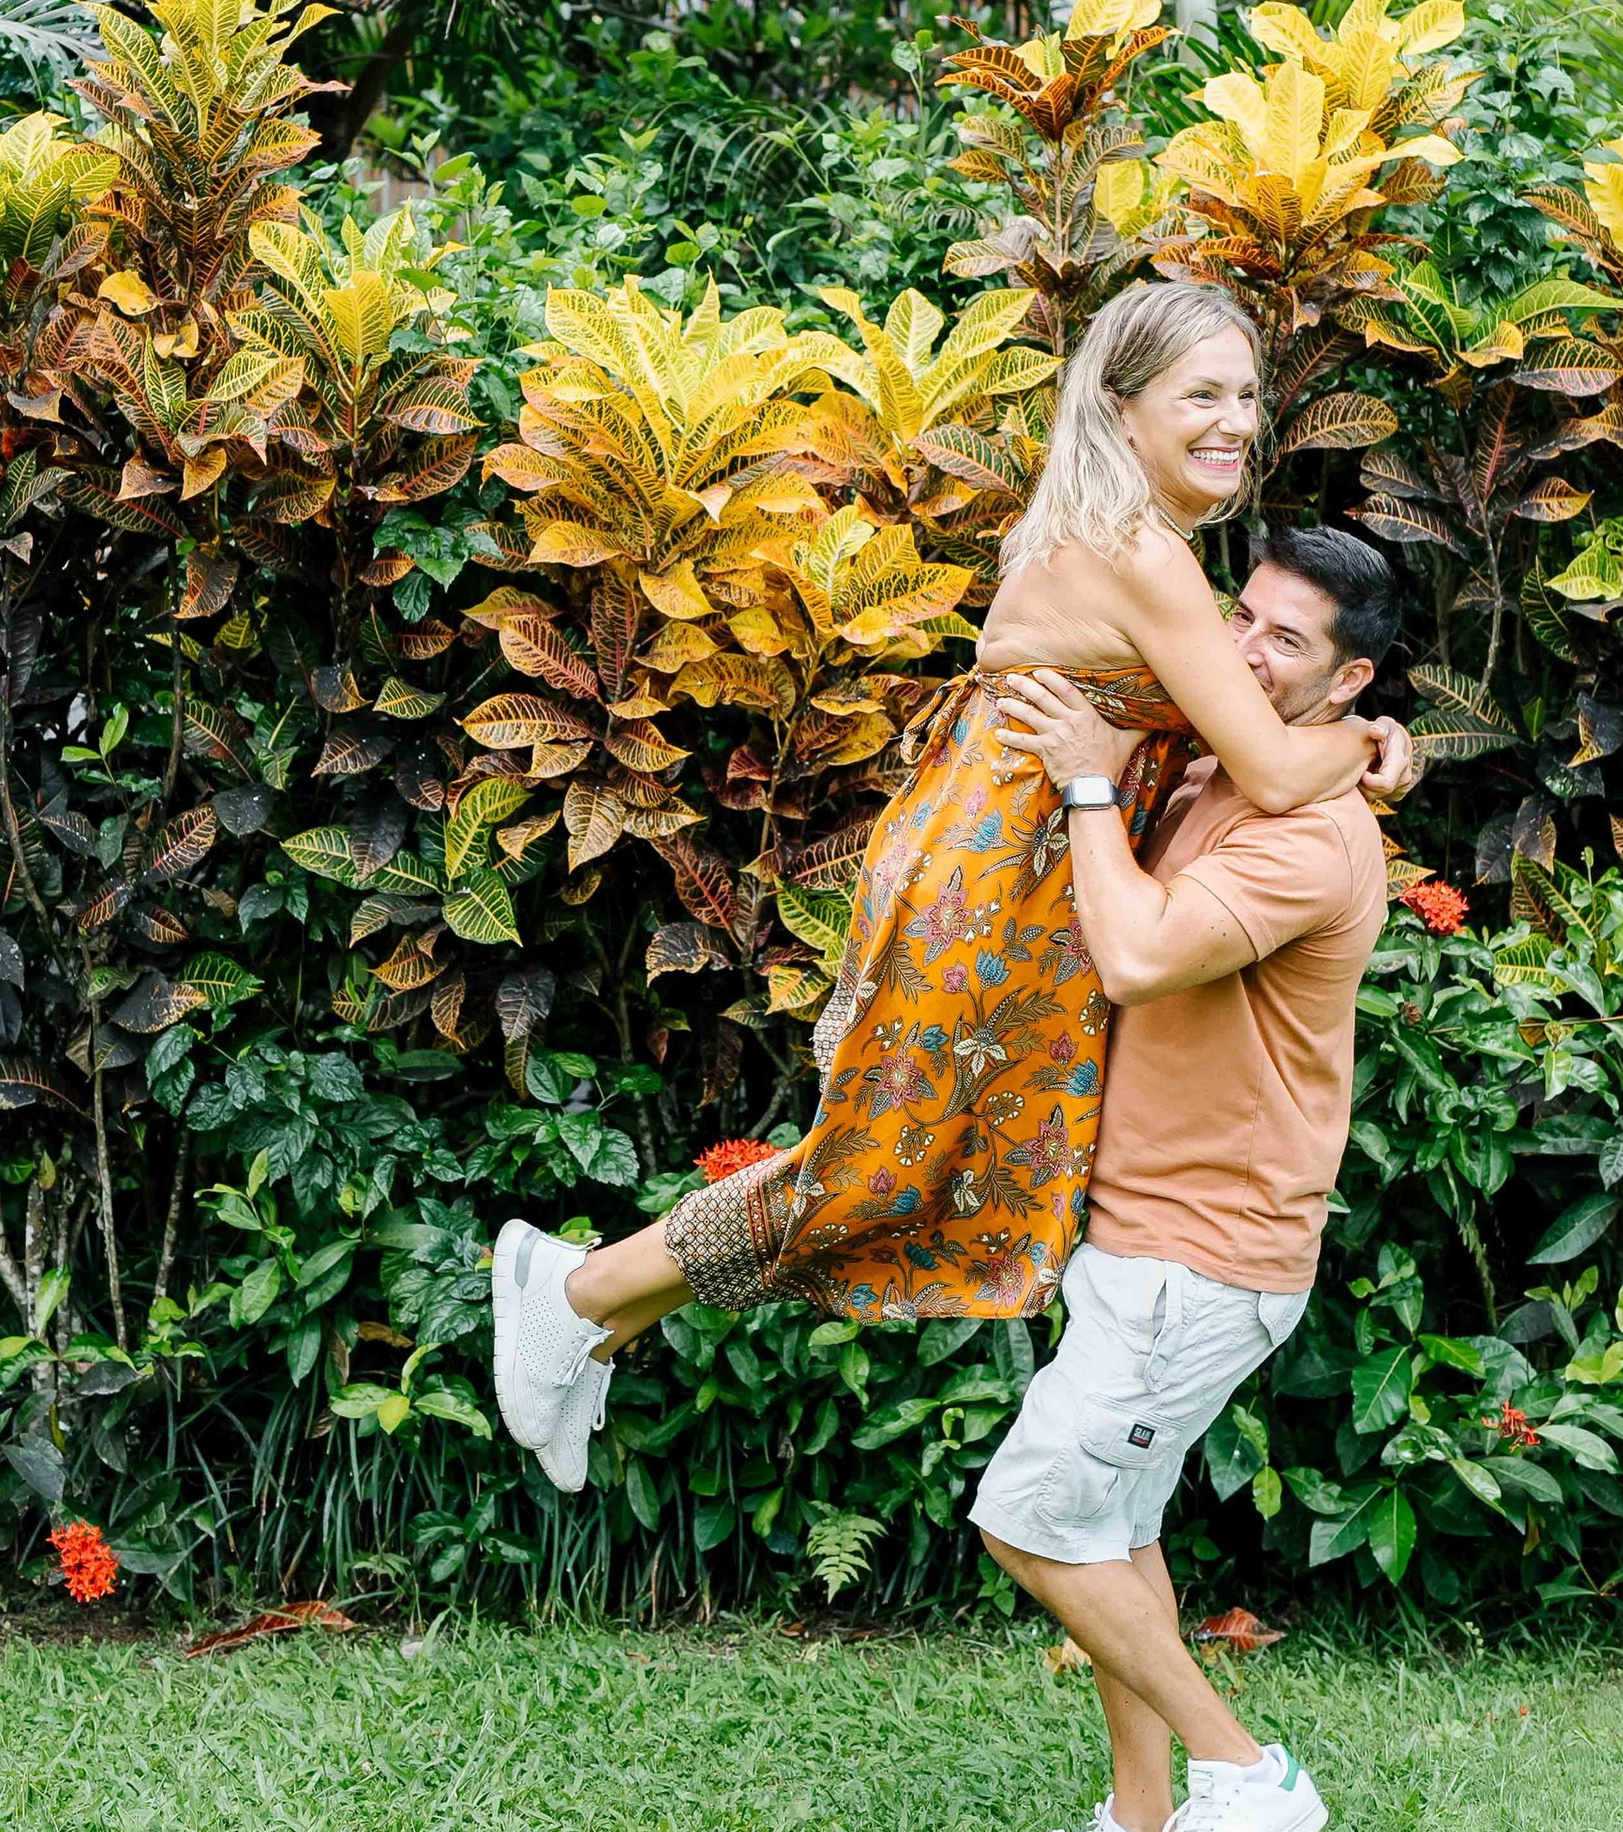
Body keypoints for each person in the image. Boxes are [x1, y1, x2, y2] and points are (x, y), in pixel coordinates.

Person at [489, 280, 1416, 1490]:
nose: (1234, 420)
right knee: (882, 1161)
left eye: (1245, 394)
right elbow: (1274, 763)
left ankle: (597, 1314)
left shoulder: (1123, 537)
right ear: (1122, 405)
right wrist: (1376, 746)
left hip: (1009, 871)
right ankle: (577, 1287)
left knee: (917, 1161)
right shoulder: (1143, 555)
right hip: (999, 881)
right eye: (1201, 394)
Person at [973, 521, 1399, 1832]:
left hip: (1203, 1256)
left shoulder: (1310, 841)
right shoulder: (1239, 757)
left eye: (1289, 642)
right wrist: (1402, 745)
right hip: (1147, 1232)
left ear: (1350, 682)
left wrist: (1089, 785)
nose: (1245, 649)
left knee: (1037, 1520)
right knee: (1118, 1522)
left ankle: (1244, 1772)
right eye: (1245, 616)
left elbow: (1143, 953)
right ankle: (1139, 1825)